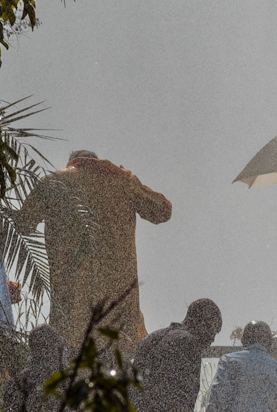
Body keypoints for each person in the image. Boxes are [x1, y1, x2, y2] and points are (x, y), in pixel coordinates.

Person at [16, 150, 172, 356]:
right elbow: (163, 211)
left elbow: (23, 224)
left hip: (71, 315)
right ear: (97, 162)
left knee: (72, 374)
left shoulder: (55, 182)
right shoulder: (122, 182)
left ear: (73, 163)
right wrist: (128, 179)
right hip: (117, 317)